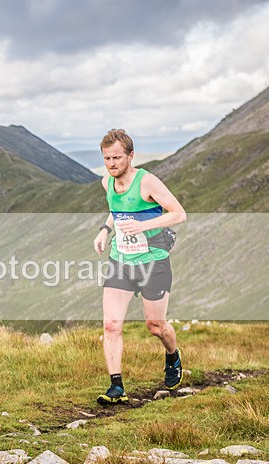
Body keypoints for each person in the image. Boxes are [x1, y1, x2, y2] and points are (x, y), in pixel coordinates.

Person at [93, 129, 186, 405]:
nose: (112, 163)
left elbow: (179, 214)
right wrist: (104, 230)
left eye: (117, 158)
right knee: (111, 326)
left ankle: (172, 356)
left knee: (156, 326)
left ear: (131, 156)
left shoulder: (147, 182)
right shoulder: (106, 182)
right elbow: (116, 209)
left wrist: (142, 225)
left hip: (152, 262)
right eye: (107, 158)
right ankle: (116, 387)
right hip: (120, 261)